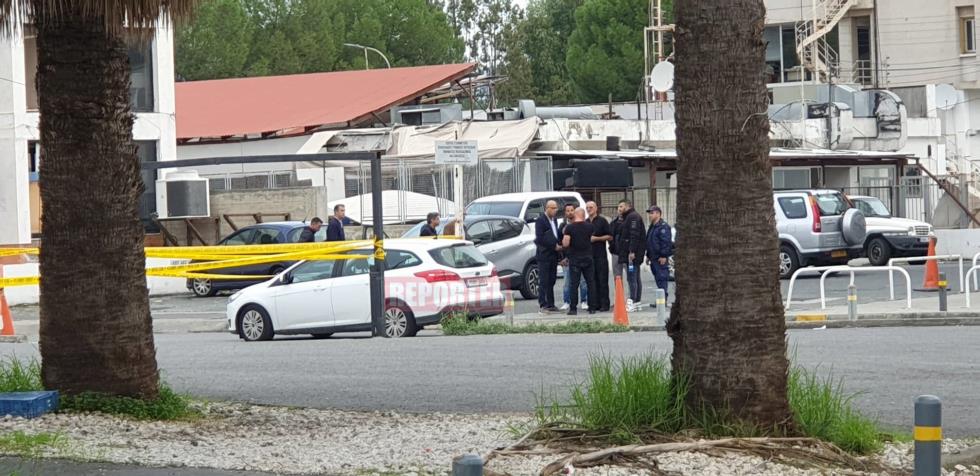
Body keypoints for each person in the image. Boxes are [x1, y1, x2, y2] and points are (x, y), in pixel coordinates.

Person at [562, 207, 597, 316]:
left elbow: (566, 243)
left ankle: (573, 309)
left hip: (575, 259)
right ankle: (592, 307)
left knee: (574, 284)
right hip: (588, 258)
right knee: (590, 282)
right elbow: (591, 239)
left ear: (575, 214)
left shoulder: (569, 227)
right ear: (583, 215)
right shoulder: (590, 226)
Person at [614, 199, 645, 311]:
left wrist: (632, 251)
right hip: (631, 253)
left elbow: (634, 235)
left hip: (631, 254)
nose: (619, 209)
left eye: (621, 206)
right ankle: (637, 302)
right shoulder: (629, 217)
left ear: (628, 206)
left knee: (632, 278)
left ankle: (632, 301)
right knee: (635, 277)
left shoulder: (632, 217)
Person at [534, 200, 562, 314]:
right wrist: (553, 246)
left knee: (552, 280)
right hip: (544, 255)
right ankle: (543, 304)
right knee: (544, 281)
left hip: (553, 255)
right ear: (547, 208)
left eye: (556, 208)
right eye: (553, 208)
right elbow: (540, 238)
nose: (555, 210)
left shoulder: (554, 220)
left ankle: (551, 303)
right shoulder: (540, 221)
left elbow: (555, 235)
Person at [558, 203, 588, 310]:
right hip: (567, 258)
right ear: (565, 213)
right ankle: (567, 301)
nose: (570, 212)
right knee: (567, 281)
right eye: (568, 210)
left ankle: (584, 301)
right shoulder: (562, 226)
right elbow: (560, 243)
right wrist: (561, 258)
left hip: (580, 257)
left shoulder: (581, 224)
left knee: (583, 281)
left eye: (572, 210)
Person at [586, 201, 612, 312]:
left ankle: (604, 304)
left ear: (596, 208)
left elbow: (610, 236)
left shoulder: (602, 221)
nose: (589, 209)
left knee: (602, 280)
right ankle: (594, 304)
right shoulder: (585, 222)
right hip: (589, 256)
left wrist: (597, 238)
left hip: (600, 255)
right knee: (592, 281)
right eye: (587, 207)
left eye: (591, 207)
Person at [646, 206, 673, 307]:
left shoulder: (663, 227)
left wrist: (663, 256)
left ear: (658, 214)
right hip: (653, 257)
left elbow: (666, 243)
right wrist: (648, 255)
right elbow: (649, 241)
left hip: (660, 258)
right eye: (649, 213)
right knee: (658, 279)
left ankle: (662, 301)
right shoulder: (652, 226)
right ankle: (660, 300)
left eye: (652, 213)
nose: (650, 215)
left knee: (662, 279)